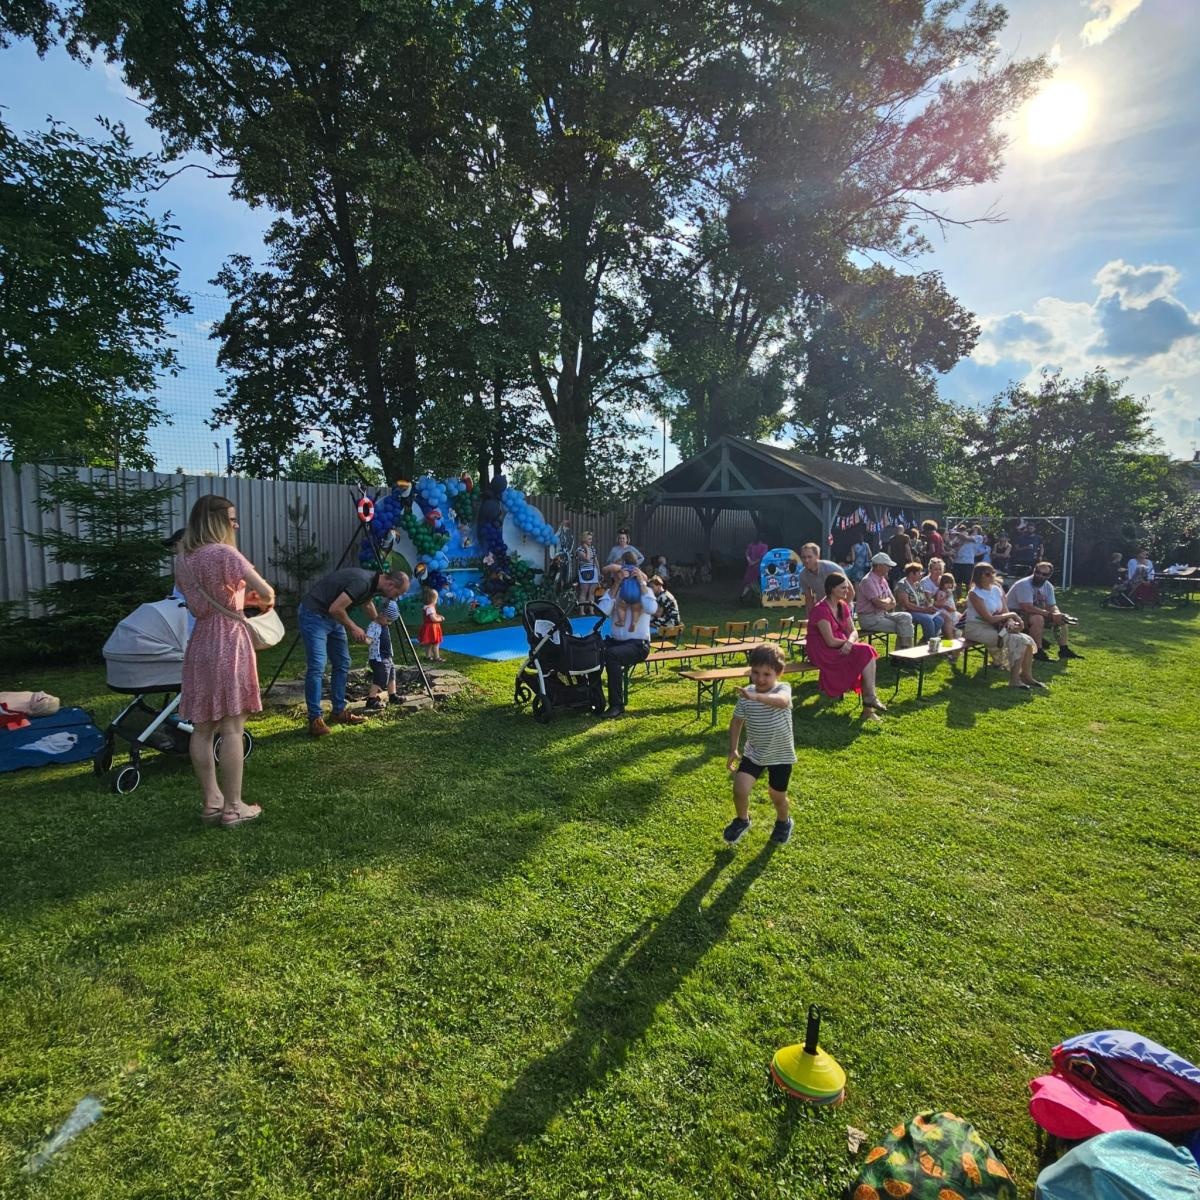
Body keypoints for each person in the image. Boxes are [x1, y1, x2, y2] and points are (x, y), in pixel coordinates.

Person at [173, 494, 275, 827]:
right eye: (232, 519)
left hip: (200, 641)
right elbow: (268, 592)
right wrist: (252, 596)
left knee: (201, 729)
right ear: (216, 520)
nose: (236, 525)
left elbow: (192, 604)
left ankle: (211, 801)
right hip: (229, 639)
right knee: (232, 728)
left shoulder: (183, 559)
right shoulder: (225, 554)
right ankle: (234, 808)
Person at [299, 564, 410, 737]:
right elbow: (335, 608)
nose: (396, 598)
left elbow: (366, 603)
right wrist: (354, 628)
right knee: (317, 666)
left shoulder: (374, 584)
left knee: (343, 663)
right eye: (397, 594)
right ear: (390, 585)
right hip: (315, 615)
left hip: (333, 618)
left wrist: (378, 623)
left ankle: (338, 712)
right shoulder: (362, 582)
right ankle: (315, 719)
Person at [723, 643, 795, 846]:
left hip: (781, 755)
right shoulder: (746, 694)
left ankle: (783, 822)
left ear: (778, 673)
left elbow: (781, 701)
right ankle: (742, 820)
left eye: (766, 674)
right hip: (754, 753)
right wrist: (733, 749)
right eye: (755, 672)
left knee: (777, 796)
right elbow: (737, 721)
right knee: (740, 789)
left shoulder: (783, 688)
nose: (760, 679)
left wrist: (755, 697)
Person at [805, 573, 886, 720]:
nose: (847, 591)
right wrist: (848, 642)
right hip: (822, 650)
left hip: (840, 644)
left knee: (866, 654)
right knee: (866, 652)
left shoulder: (843, 606)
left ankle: (869, 705)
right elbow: (829, 641)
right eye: (843, 588)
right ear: (831, 588)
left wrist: (850, 642)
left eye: (847, 588)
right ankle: (869, 703)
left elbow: (853, 630)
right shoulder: (820, 610)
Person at [964, 564, 1043, 691]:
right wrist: (1012, 615)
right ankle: (1014, 680)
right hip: (977, 628)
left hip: (996, 627)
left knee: (1026, 640)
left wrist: (1011, 623)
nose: (991, 576)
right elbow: (988, 618)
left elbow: (1004, 612)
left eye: (993, 573)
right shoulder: (974, 594)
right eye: (987, 574)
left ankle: (1027, 676)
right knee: (1018, 640)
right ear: (979, 576)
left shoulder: (997, 589)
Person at [595, 565, 657, 718]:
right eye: (623, 574)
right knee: (592, 650)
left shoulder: (645, 591)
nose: (627, 577)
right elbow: (602, 611)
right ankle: (593, 698)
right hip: (617, 641)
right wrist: (616, 585)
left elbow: (651, 608)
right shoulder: (614, 592)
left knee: (611, 655)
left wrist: (642, 583)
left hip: (638, 645)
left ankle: (617, 705)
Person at [1007, 562, 1082, 662]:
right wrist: (1050, 615)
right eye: (1037, 572)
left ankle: (1064, 649)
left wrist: (1057, 614)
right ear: (1034, 571)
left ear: (1049, 576)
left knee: (1062, 619)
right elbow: (1027, 607)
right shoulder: (1024, 584)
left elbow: (1051, 605)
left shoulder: (1048, 586)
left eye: (1044, 574)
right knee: (1038, 618)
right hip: (1013, 614)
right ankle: (1037, 651)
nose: (1039, 576)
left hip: (1031, 612)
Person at [855, 552, 915, 649]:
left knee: (906, 617)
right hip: (869, 619)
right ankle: (903, 655)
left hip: (882, 615)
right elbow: (879, 604)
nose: (890, 568)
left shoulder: (882, 580)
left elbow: (893, 602)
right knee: (905, 626)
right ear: (878, 566)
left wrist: (885, 602)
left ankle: (902, 655)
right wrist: (886, 602)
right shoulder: (867, 581)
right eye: (887, 565)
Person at [364, 601, 402, 710]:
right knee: (380, 678)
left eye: (391, 621)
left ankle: (392, 695)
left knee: (392, 675)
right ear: (381, 614)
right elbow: (369, 640)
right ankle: (371, 700)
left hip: (387, 656)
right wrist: (364, 638)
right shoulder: (374, 626)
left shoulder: (383, 624)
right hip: (378, 658)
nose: (389, 623)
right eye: (388, 620)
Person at [894, 562, 943, 643]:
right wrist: (924, 610)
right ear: (911, 574)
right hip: (907, 611)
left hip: (920, 610)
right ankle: (929, 643)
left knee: (939, 619)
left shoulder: (917, 584)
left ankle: (925, 641)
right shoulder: (902, 585)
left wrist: (929, 606)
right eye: (919, 572)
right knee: (927, 620)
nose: (921, 574)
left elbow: (924, 599)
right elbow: (906, 604)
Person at [797, 542, 852, 610]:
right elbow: (809, 599)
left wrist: (841, 610)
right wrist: (810, 618)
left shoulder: (832, 568)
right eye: (803, 557)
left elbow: (851, 591)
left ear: (817, 556)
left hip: (842, 606)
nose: (806, 560)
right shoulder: (803, 575)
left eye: (809, 557)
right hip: (824, 608)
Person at [950, 524, 981, 591]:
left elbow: (966, 538)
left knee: (968, 583)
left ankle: (968, 599)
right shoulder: (959, 537)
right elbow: (953, 545)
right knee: (958, 583)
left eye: (975, 530)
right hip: (957, 562)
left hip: (968, 563)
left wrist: (957, 533)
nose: (973, 531)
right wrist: (960, 540)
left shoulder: (979, 537)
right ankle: (958, 600)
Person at [575, 530, 600, 612]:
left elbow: (595, 560)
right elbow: (587, 559)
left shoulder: (593, 548)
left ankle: (591, 611)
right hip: (583, 572)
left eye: (591, 539)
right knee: (583, 592)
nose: (591, 541)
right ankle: (581, 611)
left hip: (593, 571)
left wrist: (599, 572)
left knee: (591, 593)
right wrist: (586, 548)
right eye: (589, 539)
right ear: (584, 539)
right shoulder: (579, 550)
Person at [739, 535, 769, 601]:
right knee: (759, 583)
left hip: (751, 567)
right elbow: (762, 556)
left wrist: (750, 561)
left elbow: (747, 553)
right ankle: (759, 598)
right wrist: (755, 562)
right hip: (759, 567)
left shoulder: (751, 545)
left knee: (749, 582)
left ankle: (743, 595)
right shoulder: (764, 546)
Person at [419, 586, 444, 663]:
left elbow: (431, 616)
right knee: (435, 643)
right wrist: (440, 619)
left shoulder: (426, 607)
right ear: (433, 600)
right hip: (432, 628)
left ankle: (428, 656)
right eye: (436, 599)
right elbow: (433, 619)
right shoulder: (430, 608)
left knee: (429, 643)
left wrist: (438, 615)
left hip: (427, 626)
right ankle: (437, 657)